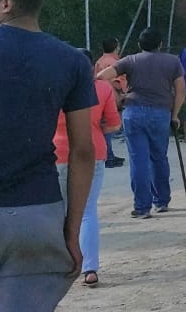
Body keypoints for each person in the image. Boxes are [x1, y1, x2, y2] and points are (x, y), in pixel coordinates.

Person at [0, 0, 97, 311]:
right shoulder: (72, 61)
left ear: (5, 3)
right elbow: (83, 151)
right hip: (38, 214)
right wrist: (72, 229)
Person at [54, 60, 120, 287]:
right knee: (87, 211)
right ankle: (90, 268)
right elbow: (114, 124)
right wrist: (95, 128)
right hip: (94, 151)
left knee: (58, 210)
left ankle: (60, 266)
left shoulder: (54, 86)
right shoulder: (102, 88)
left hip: (57, 152)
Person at [105, 28, 185, 218]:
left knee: (138, 160)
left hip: (133, 112)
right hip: (160, 113)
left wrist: (119, 96)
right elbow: (180, 91)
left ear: (139, 45)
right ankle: (162, 200)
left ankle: (142, 207)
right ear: (160, 44)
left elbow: (101, 77)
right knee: (159, 157)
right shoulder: (173, 61)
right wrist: (175, 115)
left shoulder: (130, 60)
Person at [93, 38, 125, 169]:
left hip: (100, 95)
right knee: (110, 126)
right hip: (112, 96)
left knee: (103, 126)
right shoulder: (115, 62)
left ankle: (109, 154)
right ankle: (108, 156)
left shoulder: (100, 60)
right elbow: (117, 81)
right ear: (116, 47)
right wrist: (123, 93)